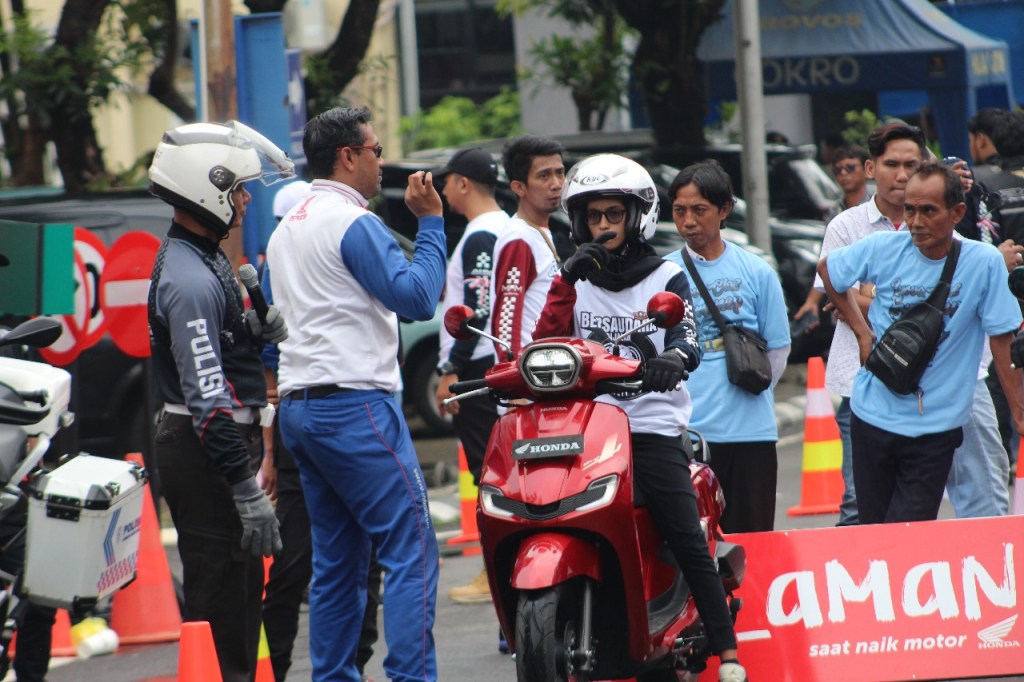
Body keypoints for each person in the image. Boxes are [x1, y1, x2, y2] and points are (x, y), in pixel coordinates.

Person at [533, 153, 747, 682]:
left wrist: (673, 360)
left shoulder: (667, 274)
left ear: (636, 216)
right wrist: (564, 278)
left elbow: (688, 337)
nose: (603, 225)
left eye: (613, 214)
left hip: (649, 426)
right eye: (593, 216)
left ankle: (728, 652)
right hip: (588, 428)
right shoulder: (575, 277)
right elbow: (543, 344)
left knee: (684, 536)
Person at [265, 106, 445, 682]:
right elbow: (416, 299)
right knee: (412, 544)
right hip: (355, 407)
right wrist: (432, 223)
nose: (381, 160)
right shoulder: (352, 221)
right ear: (348, 157)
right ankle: (411, 676)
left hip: (300, 408)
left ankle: (334, 676)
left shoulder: (286, 228)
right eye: (375, 150)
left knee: (339, 561)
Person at [148, 120, 291, 682]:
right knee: (222, 611)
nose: (246, 198)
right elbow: (207, 399)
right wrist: (245, 490)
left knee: (237, 602)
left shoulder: (204, 256)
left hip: (214, 447)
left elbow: (216, 355)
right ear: (206, 188)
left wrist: (251, 332)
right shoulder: (191, 277)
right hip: (207, 451)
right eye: (237, 188)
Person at [817, 162, 1024, 524]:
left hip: (937, 428)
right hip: (873, 416)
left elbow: (1002, 340)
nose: (915, 221)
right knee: (873, 531)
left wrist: (1018, 409)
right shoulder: (883, 248)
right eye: (910, 209)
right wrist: (863, 333)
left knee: (909, 529)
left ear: (957, 212)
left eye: (928, 210)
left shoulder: (983, 262)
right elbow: (828, 271)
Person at [260, 178, 382, 681]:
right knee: (346, 560)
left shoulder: (285, 257)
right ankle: (332, 663)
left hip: (302, 427)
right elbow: (271, 372)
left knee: (330, 562)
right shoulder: (291, 263)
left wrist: (269, 450)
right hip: (343, 423)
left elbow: (273, 377)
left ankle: (340, 663)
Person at [664, 160, 791, 533]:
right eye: (679, 210)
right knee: (694, 546)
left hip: (751, 433)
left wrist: (749, 386)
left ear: (724, 210)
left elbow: (778, 351)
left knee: (752, 543)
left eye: (699, 210)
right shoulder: (663, 274)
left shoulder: (757, 272)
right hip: (688, 434)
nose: (688, 221)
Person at [432, 148, 508, 604]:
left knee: (489, 476)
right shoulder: (508, 229)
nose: (442, 191)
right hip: (493, 363)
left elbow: (476, 309)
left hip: (478, 366)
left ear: (463, 183)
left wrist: (451, 369)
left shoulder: (481, 235)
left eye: (447, 182)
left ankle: (495, 569)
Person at [489, 135, 567, 358]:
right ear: (519, 187)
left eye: (559, 172)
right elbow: (505, 317)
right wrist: (514, 386)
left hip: (546, 374)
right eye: (544, 176)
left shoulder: (538, 231)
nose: (556, 184)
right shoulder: (519, 238)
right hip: (526, 383)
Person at [823, 145, 871, 223]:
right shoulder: (834, 212)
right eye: (837, 170)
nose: (843, 173)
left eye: (850, 167)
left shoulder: (879, 207)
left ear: (867, 169)